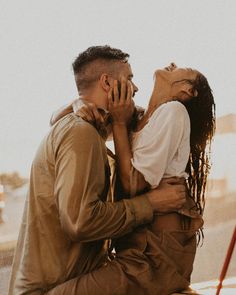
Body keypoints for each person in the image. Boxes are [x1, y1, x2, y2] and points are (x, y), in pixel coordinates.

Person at [8, 46, 186, 295]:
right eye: (130, 79)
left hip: (71, 280)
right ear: (106, 82)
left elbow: (136, 121)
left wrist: (75, 104)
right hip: (51, 289)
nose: (135, 89)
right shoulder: (80, 132)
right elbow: (80, 222)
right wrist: (151, 204)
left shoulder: (91, 124)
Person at [47, 62, 215, 294]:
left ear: (188, 91)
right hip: (136, 250)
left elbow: (134, 184)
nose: (172, 64)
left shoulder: (173, 111)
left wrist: (118, 122)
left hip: (156, 259)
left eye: (182, 68)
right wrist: (78, 104)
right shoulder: (138, 117)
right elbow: (55, 120)